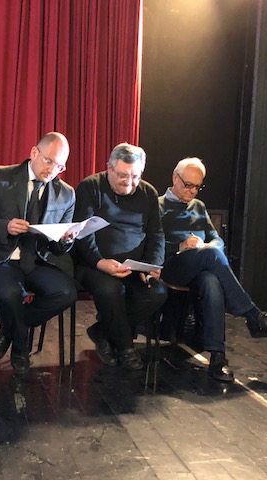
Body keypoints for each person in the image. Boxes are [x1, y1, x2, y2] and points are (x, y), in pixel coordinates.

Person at [159, 157, 267, 383]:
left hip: (200, 265)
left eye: (197, 186)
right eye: (188, 185)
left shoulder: (199, 207)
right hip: (172, 265)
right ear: (175, 178)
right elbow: (151, 245)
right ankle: (254, 317)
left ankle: (218, 356)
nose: (192, 191)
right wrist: (181, 246)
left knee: (211, 280)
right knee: (211, 258)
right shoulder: (158, 206)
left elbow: (217, 240)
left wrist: (209, 246)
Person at [0, 132, 78, 375]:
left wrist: (66, 240)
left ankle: (9, 328)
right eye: (49, 161)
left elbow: (58, 248)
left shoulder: (66, 194)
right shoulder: (1, 176)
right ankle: (21, 349)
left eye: (60, 166)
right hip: (0, 258)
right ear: (34, 153)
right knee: (10, 293)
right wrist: (6, 226)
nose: (52, 170)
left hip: (37, 260)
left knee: (66, 293)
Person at [73, 143, 167, 370]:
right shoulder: (90, 187)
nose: (129, 182)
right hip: (94, 264)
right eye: (123, 175)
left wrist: (152, 264)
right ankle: (125, 348)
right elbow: (82, 234)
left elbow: (156, 234)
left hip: (134, 266)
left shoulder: (148, 193)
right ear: (109, 168)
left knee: (157, 293)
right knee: (111, 290)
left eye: (135, 176)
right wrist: (100, 262)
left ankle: (102, 332)